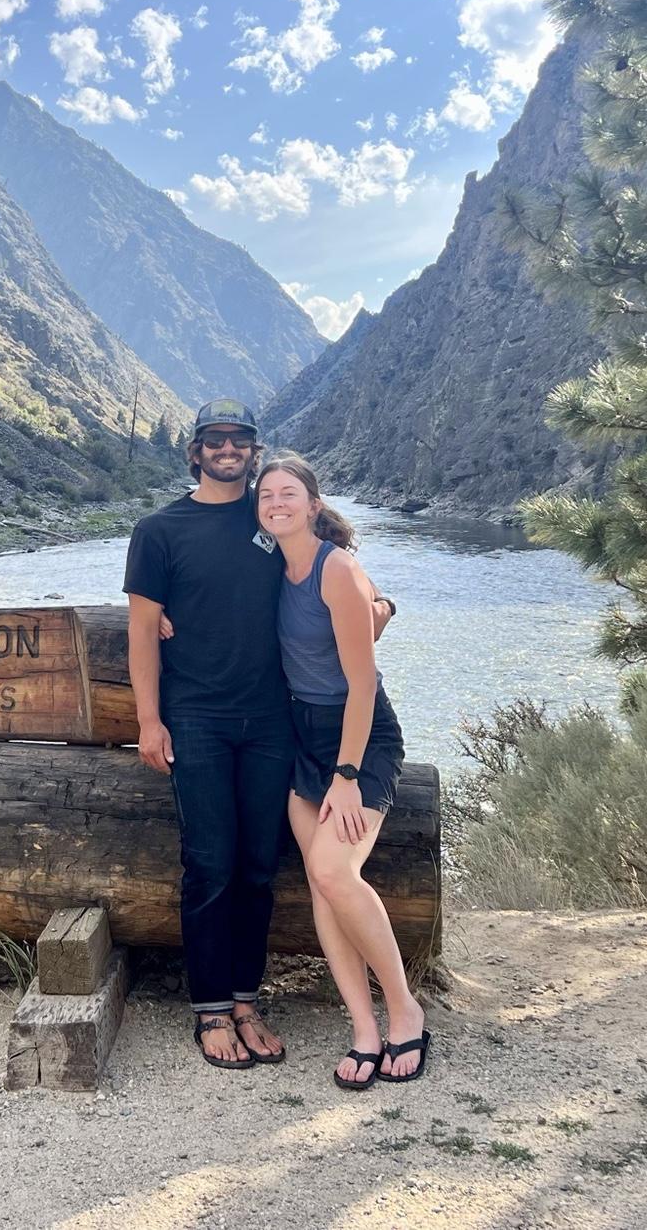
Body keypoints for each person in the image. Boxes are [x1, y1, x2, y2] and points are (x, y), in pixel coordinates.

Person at [123, 401, 392, 1070]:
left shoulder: (271, 515)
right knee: (209, 863)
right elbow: (140, 630)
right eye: (213, 439)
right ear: (194, 451)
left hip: (273, 722)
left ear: (253, 449)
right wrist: (149, 720)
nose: (227, 449)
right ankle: (211, 1009)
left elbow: (351, 582)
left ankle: (246, 1001)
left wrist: (383, 607)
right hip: (197, 719)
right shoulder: (158, 530)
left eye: (238, 439)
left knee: (257, 867)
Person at [254, 452, 428, 1087]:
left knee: (333, 870)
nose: (276, 503)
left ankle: (404, 1009)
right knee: (320, 880)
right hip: (301, 736)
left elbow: (361, 685)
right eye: (266, 495)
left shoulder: (337, 570)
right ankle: (363, 1028)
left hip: (360, 737)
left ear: (313, 504)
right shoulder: (269, 567)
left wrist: (348, 775)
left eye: (288, 493)